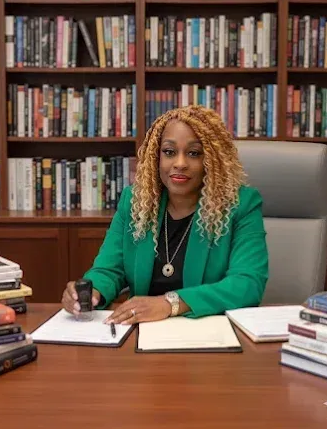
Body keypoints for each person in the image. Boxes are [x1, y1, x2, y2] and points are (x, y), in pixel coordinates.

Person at [62, 105, 268, 325]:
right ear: (156, 156)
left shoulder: (240, 204)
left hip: (207, 332)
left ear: (212, 160)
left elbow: (247, 283)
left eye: (194, 153)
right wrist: (91, 292)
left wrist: (171, 303)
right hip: (141, 331)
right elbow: (109, 269)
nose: (180, 163)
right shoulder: (135, 201)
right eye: (169, 152)